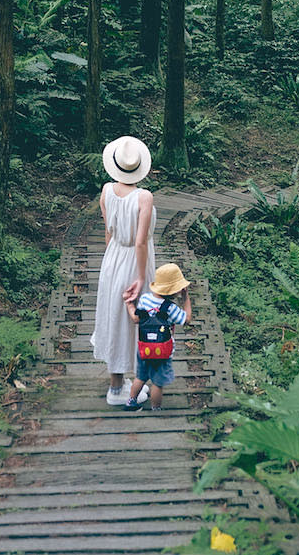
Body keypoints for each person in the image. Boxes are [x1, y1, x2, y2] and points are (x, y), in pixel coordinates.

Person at [90, 135, 156, 406]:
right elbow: (140, 241)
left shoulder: (106, 190)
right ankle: (123, 389)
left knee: (115, 315)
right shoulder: (144, 197)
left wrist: (110, 262)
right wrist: (141, 277)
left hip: (113, 255)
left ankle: (117, 384)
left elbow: (109, 232)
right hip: (134, 259)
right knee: (137, 318)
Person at [123, 263, 192, 411]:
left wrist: (130, 305)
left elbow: (136, 319)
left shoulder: (145, 299)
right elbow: (187, 319)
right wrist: (186, 298)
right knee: (157, 383)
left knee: (140, 378)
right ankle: (156, 408)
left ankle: (131, 401)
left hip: (144, 349)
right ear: (173, 291)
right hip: (163, 352)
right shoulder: (171, 309)